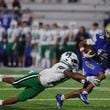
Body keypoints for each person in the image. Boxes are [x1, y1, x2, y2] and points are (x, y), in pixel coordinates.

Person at [0, 51, 100, 106]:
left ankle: (1, 103)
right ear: (67, 59)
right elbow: (71, 74)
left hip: (40, 87)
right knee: (15, 83)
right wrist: (87, 78)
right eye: (73, 61)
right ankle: (1, 77)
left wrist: (87, 81)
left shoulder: (69, 71)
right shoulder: (61, 65)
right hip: (36, 78)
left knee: (21, 98)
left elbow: (76, 77)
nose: (75, 63)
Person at [56, 23, 110, 109]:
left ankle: (61, 97)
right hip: (88, 60)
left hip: (97, 63)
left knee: (88, 87)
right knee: (101, 75)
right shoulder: (98, 37)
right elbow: (81, 43)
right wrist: (84, 52)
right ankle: (84, 93)